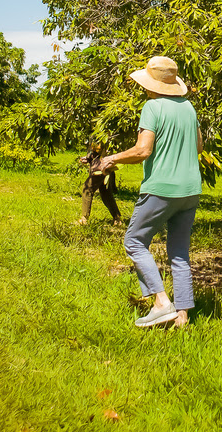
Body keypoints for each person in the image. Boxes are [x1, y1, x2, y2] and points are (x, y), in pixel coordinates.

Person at [96, 56, 203, 328]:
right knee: (179, 253)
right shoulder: (189, 108)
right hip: (190, 190)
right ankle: (182, 318)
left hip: (161, 189)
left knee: (134, 241)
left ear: (151, 84)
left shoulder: (152, 107)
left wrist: (111, 159)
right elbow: (199, 147)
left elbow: (143, 150)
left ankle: (160, 302)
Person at [76, 140, 123, 226]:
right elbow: (95, 153)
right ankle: (117, 218)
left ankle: (84, 218)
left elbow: (101, 150)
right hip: (101, 167)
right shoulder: (96, 133)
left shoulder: (102, 134)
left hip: (101, 168)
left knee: (87, 187)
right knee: (106, 193)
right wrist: (88, 158)